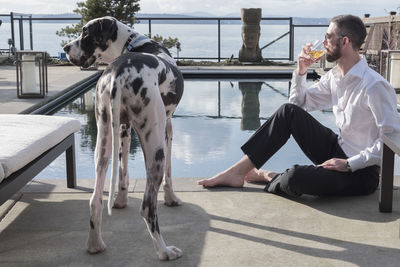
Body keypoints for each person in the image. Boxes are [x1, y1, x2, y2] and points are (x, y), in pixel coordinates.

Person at [198, 14, 400, 197]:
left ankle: (270, 175)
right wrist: (301, 71)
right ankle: (238, 171)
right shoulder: (335, 76)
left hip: (360, 173)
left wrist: (348, 164)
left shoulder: (374, 86)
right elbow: (297, 106)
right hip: (337, 149)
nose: (324, 42)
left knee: (295, 177)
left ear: (345, 41)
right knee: (288, 112)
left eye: (328, 36)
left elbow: (391, 140)